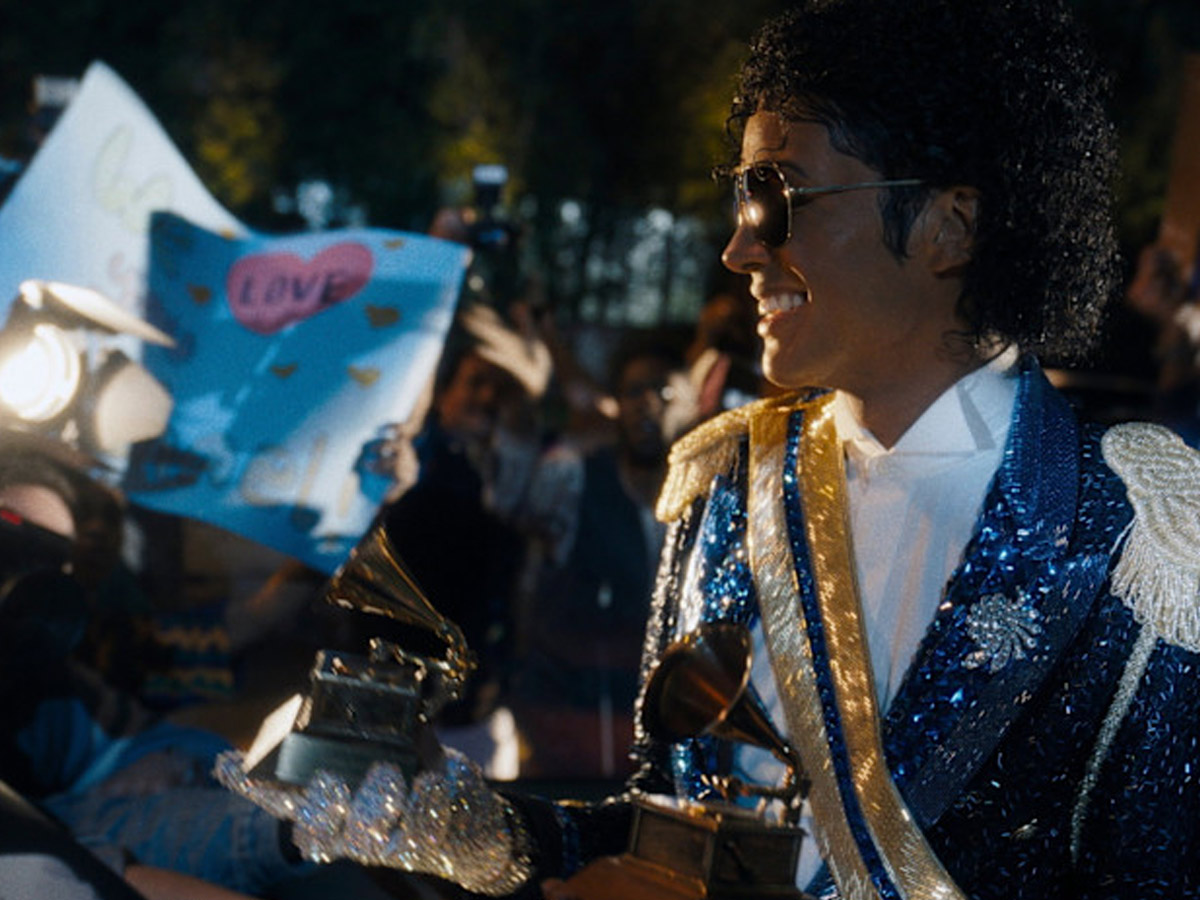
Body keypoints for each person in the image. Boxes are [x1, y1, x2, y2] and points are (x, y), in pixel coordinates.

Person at [225, 1, 1198, 897]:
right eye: (741, 200)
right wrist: (456, 823)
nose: (740, 251)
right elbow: (667, 837)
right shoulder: (730, 483)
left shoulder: (1137, 538)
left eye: (779, 199)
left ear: (949, 225)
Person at [512, 340, 695, 779]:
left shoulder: (705, 504)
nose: (646, 404)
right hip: (567, 739)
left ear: (691, 406)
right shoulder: (572, 481)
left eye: (663, 392)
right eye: (633, 392)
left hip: (657, 749)